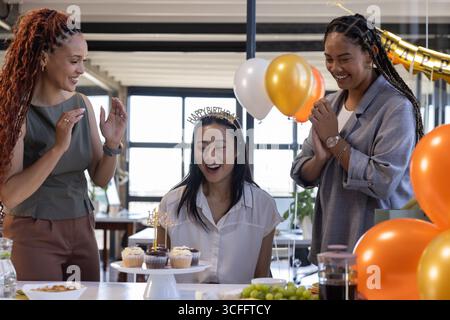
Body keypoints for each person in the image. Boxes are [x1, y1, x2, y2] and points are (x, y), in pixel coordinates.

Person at [0, 8, 127, 281]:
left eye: (83, 60)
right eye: (74, 61)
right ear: (44, 58)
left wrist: (112, 144)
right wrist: (58, 148)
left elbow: (101, 179)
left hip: (82, 228)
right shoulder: (16, 112)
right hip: (33, 233)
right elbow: (10, 195)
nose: (81, 69)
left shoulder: (81, 104)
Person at [291, 14, 424, 265]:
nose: (335, 68)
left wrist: (333, 140)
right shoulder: (329, 104)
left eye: (344, 59)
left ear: (370, 54)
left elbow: (382, 180)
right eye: (329, 59)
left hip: (378, 243)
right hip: (333, 239)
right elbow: (301, 172)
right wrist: (320, 158)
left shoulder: (396, 108)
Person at [157, 112, 282, 284]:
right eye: (203, 146)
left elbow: (261, 278)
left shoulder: (263, 206)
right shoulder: (171, 204)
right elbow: (158, 271)